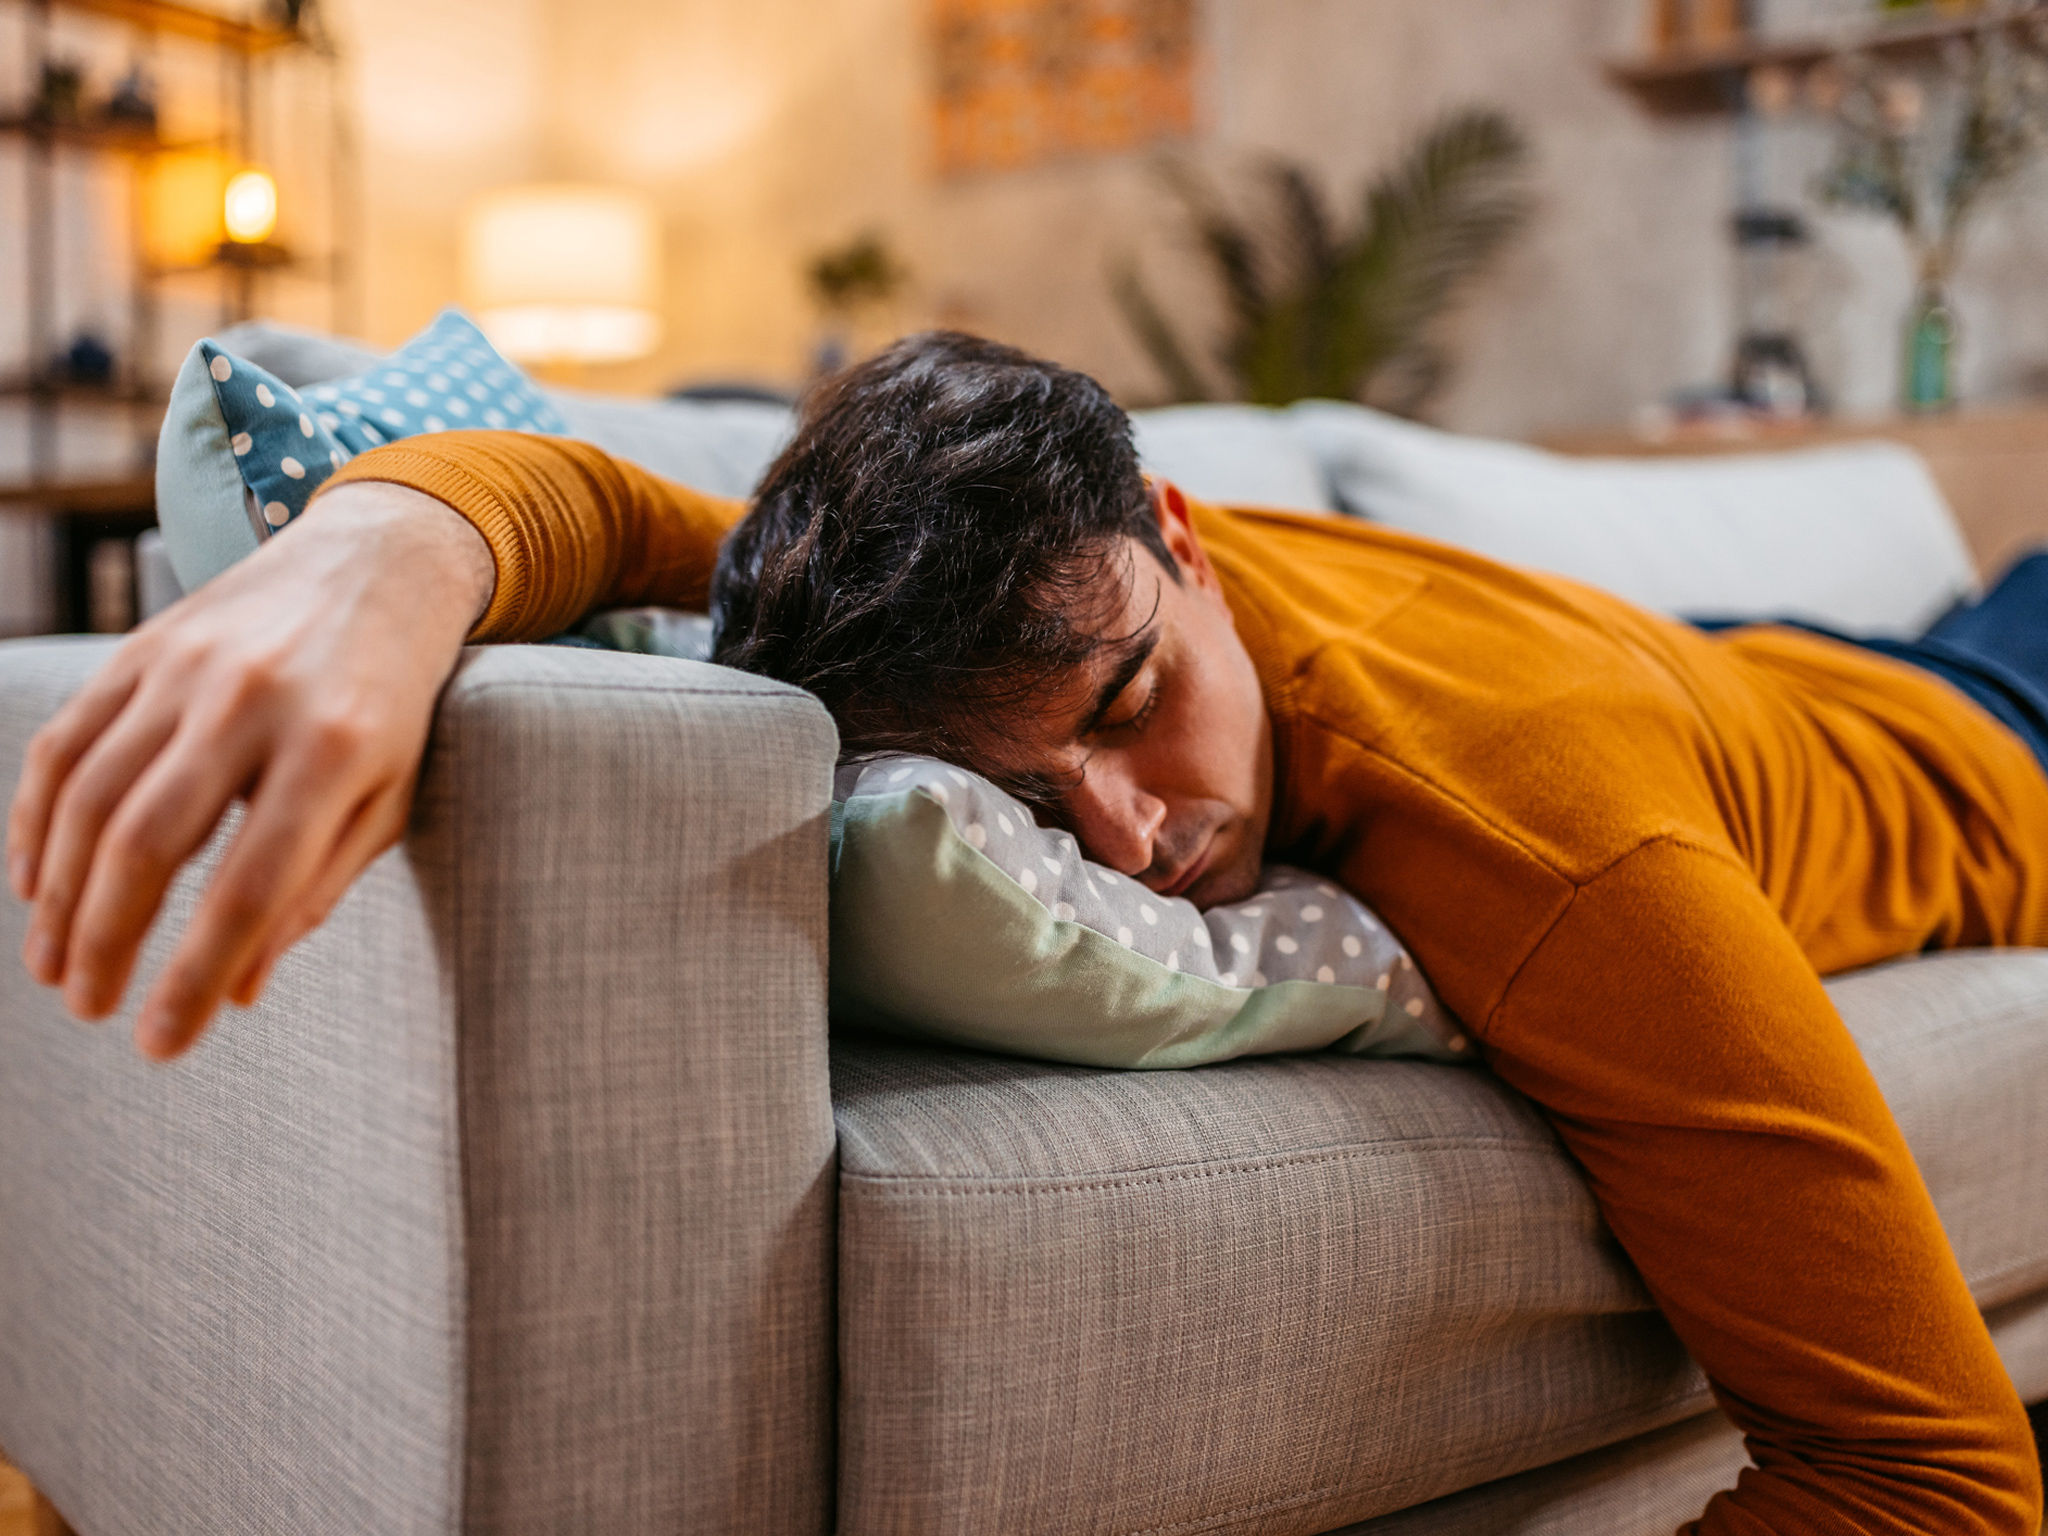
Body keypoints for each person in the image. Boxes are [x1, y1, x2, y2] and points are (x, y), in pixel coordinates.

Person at [8, 331, 2046, 1534]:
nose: (1136, 842)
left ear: (1180, 536)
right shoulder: (1003, 599)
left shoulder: (1556, 855)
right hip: (1729, 667)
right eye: (1032, 806)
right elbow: (614, 512)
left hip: (1984, 729)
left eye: (1132, 706)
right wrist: (380, 545)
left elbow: (1931, 1481)